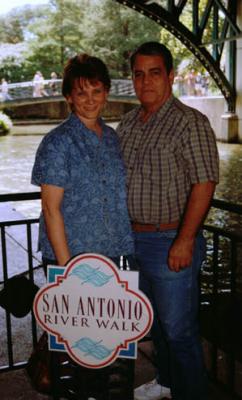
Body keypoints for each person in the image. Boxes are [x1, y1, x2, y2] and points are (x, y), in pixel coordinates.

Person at [117, 42, 219, 400]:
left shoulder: (190, 122)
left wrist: (185, 239)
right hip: (132, 242)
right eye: (139, 74)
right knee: (155, 323)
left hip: (169, 241)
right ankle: (167, 382)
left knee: (180, 331)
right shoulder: (127, 123)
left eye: (154, 73)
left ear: (171, 76)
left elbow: (204, 182)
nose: (145, 82)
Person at [31, 53, 134, 399]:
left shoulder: (112, 138)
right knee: (77, 353)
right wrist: (68, 271)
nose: (90, 99)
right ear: (68, 97)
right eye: (81, 92)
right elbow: (51, 208)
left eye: (96, 90)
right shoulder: (58, 142)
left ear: (106, 92)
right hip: (74, 262)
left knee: (108, 347)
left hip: (114, 258)